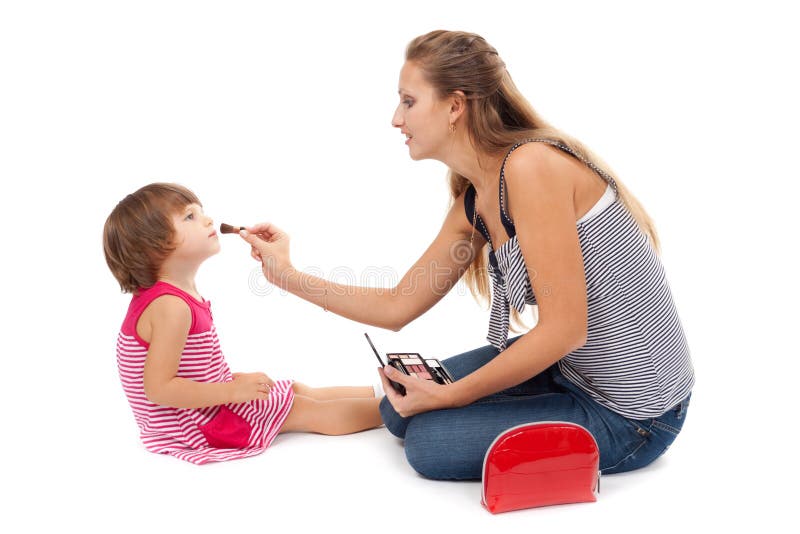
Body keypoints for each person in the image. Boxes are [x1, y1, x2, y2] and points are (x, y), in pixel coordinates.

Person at [239, 30, 694, 480]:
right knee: (397, 412)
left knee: (428, 444)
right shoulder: (476, 201)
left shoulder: (531, 167)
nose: (396, 119)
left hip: (636, 412)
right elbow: (398, 305)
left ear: (456, 106)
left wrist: (451, 397)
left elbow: (564, 329)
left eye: (409, 101)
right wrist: (286, 275)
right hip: (570, 371)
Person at [103, 183, 382, 465]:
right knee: (303, 408)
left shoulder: (174, 296)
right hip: (195, 425)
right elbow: (159, 389)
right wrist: (232, 391)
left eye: (202, 212)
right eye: (189, 217)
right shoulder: (170, 306)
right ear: (154, 246)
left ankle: (384, 391)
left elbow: (189, 368)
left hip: (201, 408)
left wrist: (227, 383)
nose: (208, 220)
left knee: (294, 389)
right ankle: (395, 410)